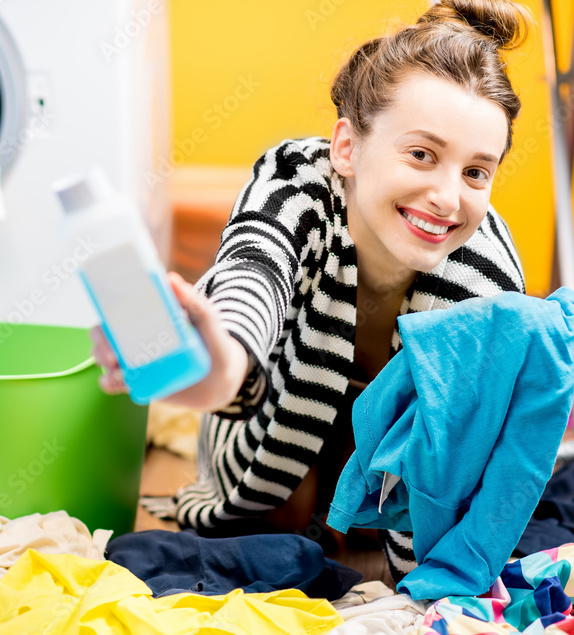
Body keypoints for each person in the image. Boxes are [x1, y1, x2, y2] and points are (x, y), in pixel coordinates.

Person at [93, 0, 533, 584]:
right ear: (347, 148)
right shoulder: (295, 183)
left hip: (393, 452)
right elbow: (252, 280)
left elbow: (455, 472)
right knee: (272, 526)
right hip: (279, 408)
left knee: (392, 535)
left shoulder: (487, 282)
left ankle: (352, 514)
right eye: (421, 154)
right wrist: (211, 364)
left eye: (476, 172)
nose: (448, 198)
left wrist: (425, 589)